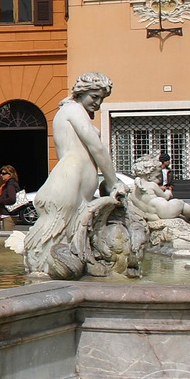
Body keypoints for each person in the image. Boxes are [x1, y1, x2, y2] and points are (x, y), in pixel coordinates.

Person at [23, 72, 126, 277]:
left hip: (76, 185)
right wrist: (114, 182)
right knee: (54, 237)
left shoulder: (73, 110)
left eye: (101, 99)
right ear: (81, 93)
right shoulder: (73, 109)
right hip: (69, 181)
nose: (97, 103)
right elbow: (95, 146)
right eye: (94, 97)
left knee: (68, 235)